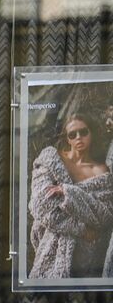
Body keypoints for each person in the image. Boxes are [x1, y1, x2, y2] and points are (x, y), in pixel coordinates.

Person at [30, 111, 113, 282]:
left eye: (83, 132)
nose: (78, 137)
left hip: (88, 260)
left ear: (91, 133)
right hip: (51, 256)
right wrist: (82, 229)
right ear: (67, 138)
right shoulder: (51, 159)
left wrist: (69, 192)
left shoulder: (101, 171)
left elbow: (104, 216)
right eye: (72, 134)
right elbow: (40, 206)